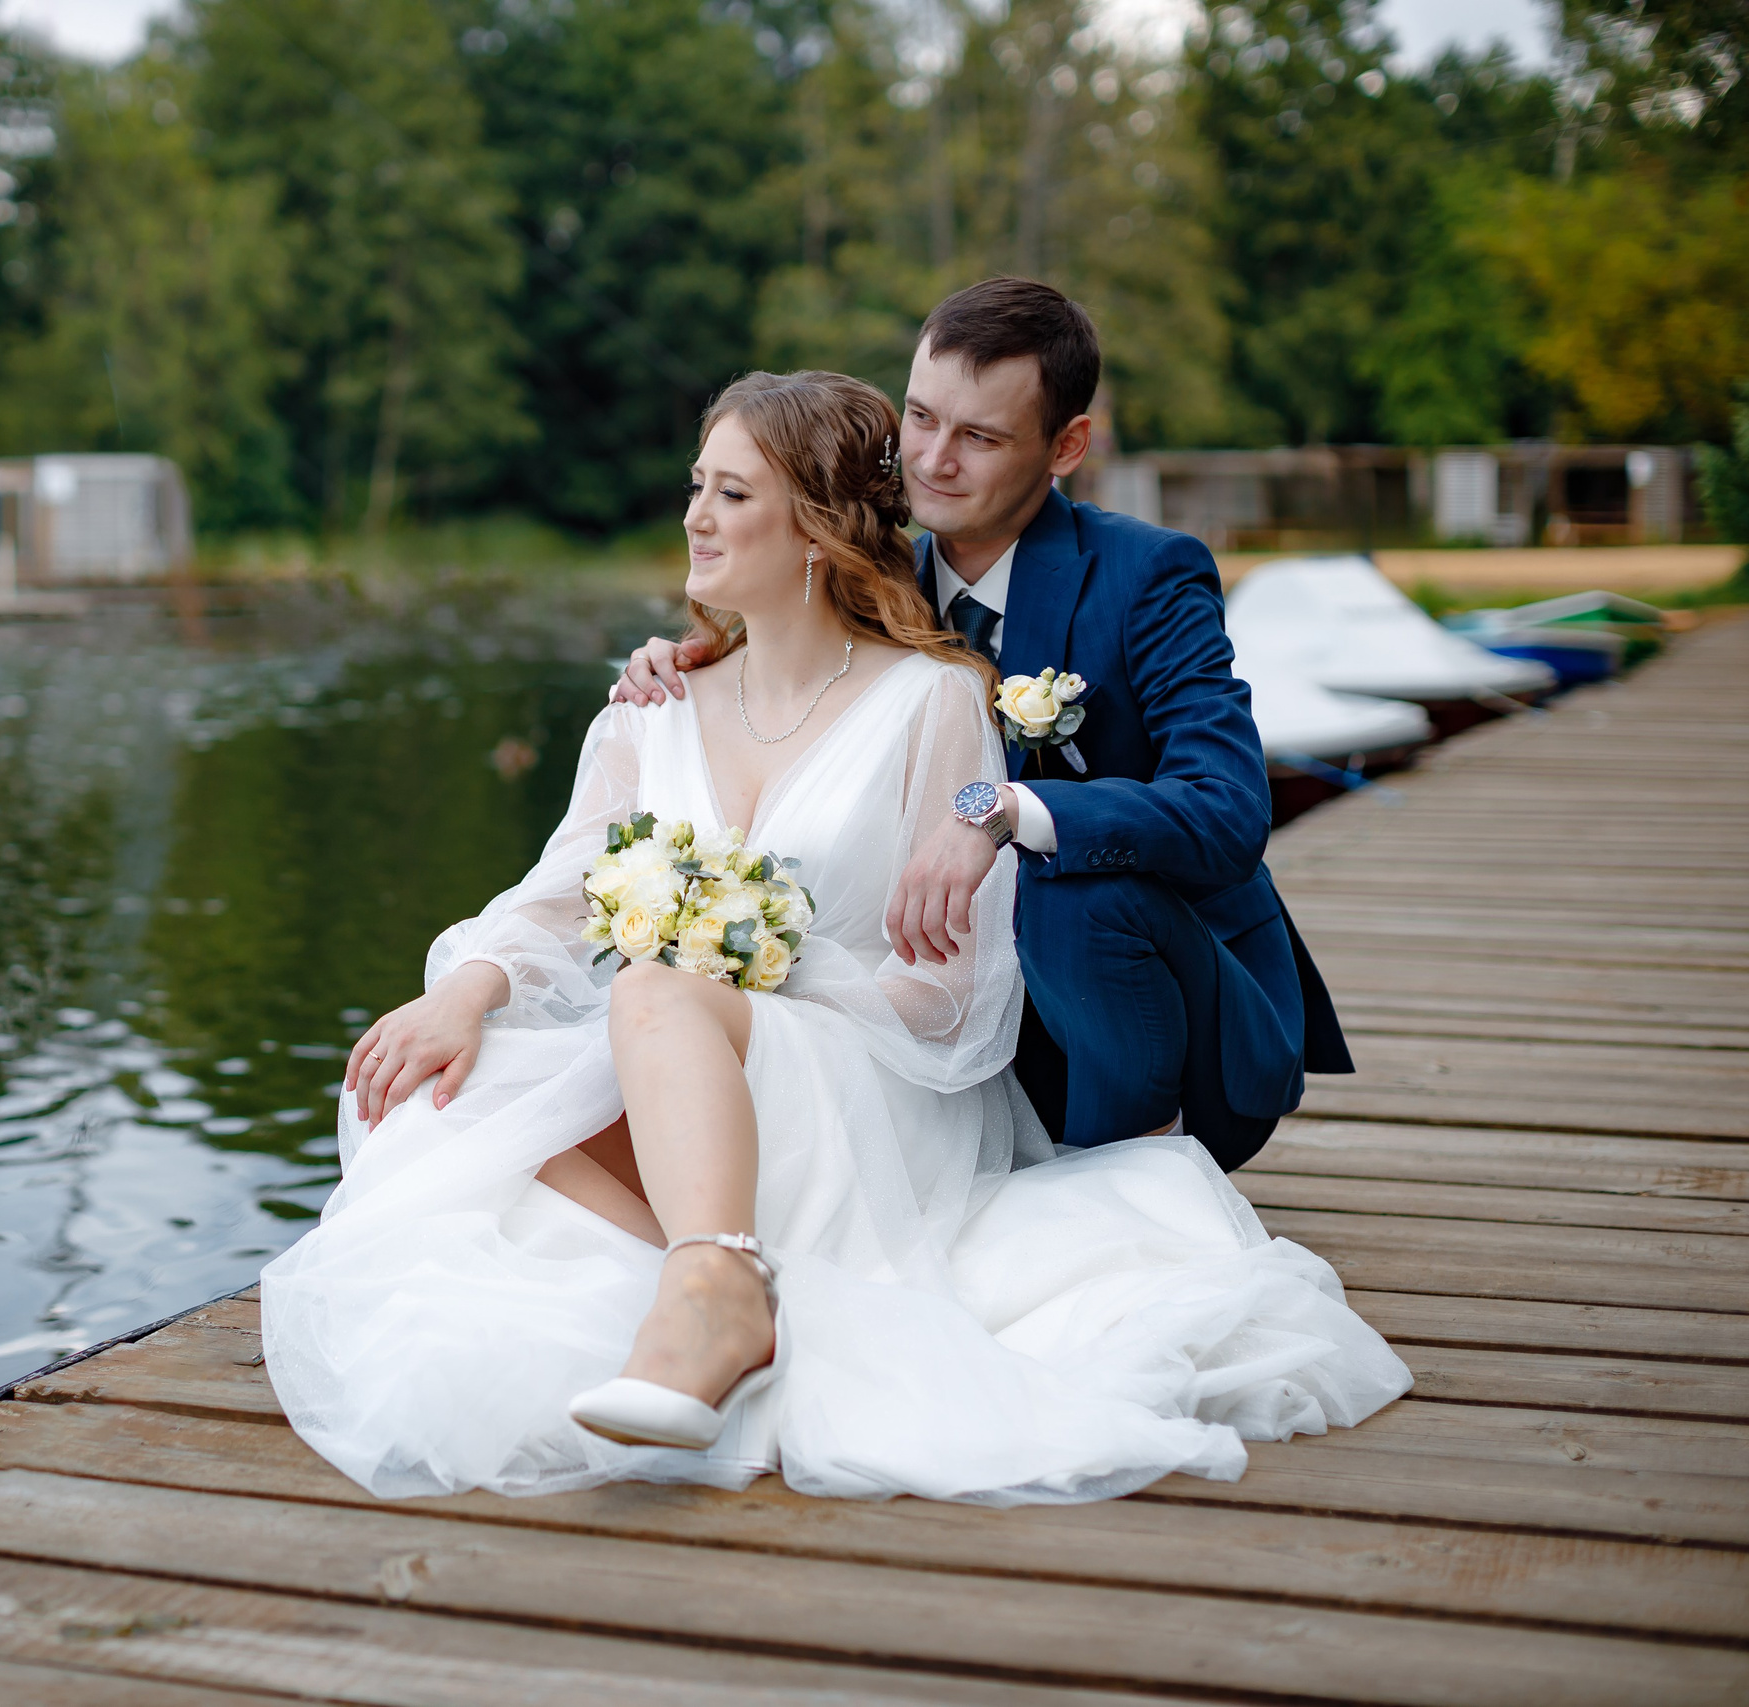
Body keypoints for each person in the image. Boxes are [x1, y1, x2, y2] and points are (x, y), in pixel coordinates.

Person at [259, 369, 1406, 1505]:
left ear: (813, 530)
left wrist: (756, 988)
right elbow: (554, 896)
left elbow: (957, 1005)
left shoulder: (933, 701)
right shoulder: (649, 705)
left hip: (866, 1080)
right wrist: (466, 991)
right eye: (696, 487)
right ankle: (732, 1270)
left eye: (735, 495)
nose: (697, 517)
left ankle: (716, 1293)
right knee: (439, 1098)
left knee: (654, 994)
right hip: (685, 1052)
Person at [615, 278, 1350, 1172]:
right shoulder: (875, 587)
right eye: (920, 419)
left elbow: (1228, 810)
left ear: (1066, 445)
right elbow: (783, 644)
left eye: (980, 437)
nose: (932, 460)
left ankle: (1133, 1181)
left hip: (1177, 1043)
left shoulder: (1147, 576)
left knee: (1066, 883)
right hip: (964, 1050)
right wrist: (696, 659)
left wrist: (1003, 809)